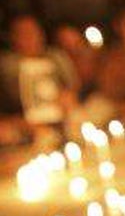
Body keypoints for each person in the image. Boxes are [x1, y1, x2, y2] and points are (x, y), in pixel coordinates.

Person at [0, 14, 79, 146]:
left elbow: (72, 88)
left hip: (59, 116)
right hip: (21, 123)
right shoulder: (6, 67)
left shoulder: (56, 57)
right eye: (23, 33)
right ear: (13, 37)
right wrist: (23, 123)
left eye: (34, 31)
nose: (30, 37)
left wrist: (67, 98)